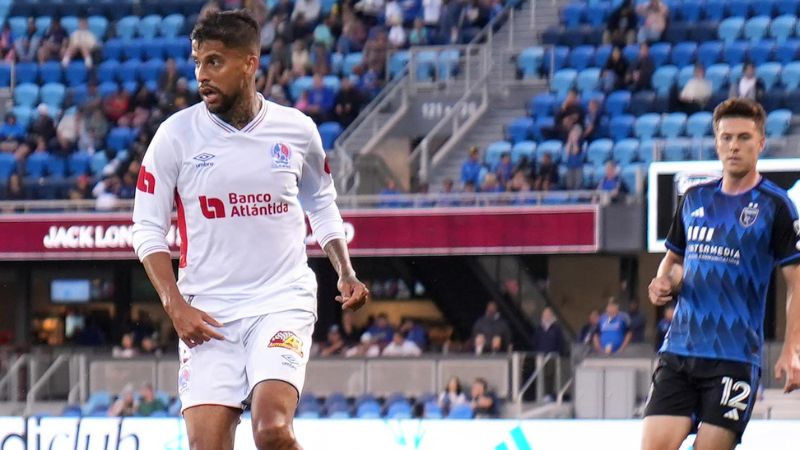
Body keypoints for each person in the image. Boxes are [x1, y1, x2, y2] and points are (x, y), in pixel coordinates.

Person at [131, 11, 369, 450]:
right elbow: (146, 228)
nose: (202, 75)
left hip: (280, 300)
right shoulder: (174, 137)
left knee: (273, 431)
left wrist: (345, 269)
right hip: (207, 310)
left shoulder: (296, 130)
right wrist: (174, 304)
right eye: (198, 62)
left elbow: (320, 201)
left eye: (215, 62)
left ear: (250, 63)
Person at [642, 99, 800, 450]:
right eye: (726, 137)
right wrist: (663, 282)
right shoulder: (694, 199)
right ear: (716, 141)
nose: (734, 145)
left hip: (735, 357)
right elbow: (675, 261)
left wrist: (792, 348)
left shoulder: (776, 207)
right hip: (679, 351)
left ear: (760, 143)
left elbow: (796, 282)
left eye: (744, 137)